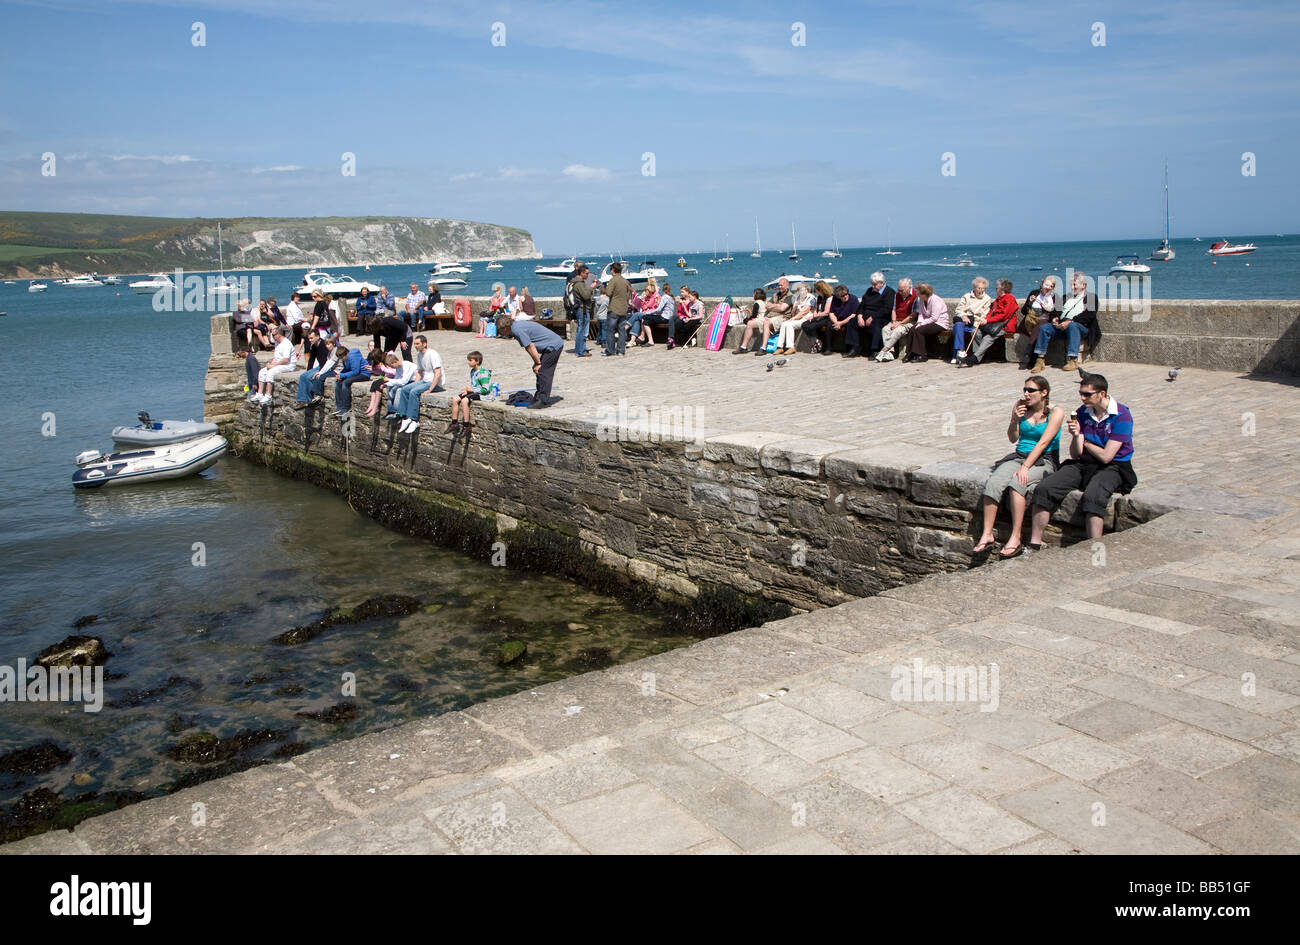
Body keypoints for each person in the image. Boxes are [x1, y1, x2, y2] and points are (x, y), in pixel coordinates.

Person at [1027, 373, 1136, 548]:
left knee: (1093, 497)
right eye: (1081, 393)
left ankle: (1095, 552)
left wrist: (1087, 442)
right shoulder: (1082, 413)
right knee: (1044, 488)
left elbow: (1107, 456)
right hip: (1084, 462)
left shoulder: (1122, 416)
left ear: (1102, 394)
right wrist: (1077, 436)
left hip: (1113, 466)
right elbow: (1076, 454)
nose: (1082, 398)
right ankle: (1034, 544)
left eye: (1087, 394)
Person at [972, 374, 1065, 558]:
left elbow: (1043, 443)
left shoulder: (1056, 412)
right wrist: (1014, 419)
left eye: (1031, 390)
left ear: (1044, 392)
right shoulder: (1021, 407)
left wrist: (1025, 468)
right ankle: (987, 533)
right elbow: (1012, 438)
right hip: (1019, 455)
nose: (1026, 393)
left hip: (1044, 459)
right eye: (1024, 389)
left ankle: (1016, 537)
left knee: (1017, 485)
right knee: (994, 484)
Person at [1031, 272, 1096, 374]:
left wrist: (1070, 321)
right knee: (1044, 328)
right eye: (1071, 284)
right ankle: (1040, 359)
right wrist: (1055, 318)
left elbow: (1089, 315)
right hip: (1062, 326)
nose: (1072, 287)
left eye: (1075, 284)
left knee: (1073, 326)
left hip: (1080, 326)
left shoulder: (1091, 297)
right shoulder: (1066, 297)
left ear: (1083, 286)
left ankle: (1072, 359)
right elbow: (1056, 311)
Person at [498, 313, 562, 407]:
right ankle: (539, 397)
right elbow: (530, 347)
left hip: (553, 345)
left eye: (500, 330)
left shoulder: (517, 330)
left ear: (505, 328)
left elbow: (530, 346)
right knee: (540, 371)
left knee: (544, 372)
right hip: (551, 345)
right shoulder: (516, 326)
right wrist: (536, 363)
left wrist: (538, 363)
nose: (500, 333)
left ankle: (543, 401)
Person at [959, 279, 1019, 367]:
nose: (995, 289)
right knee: (975, 332)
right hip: (993, 324)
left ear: (1002, 289)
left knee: (988, 337)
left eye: (997, 287)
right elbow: (990, 313)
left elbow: (1004, 315)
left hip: (1004, 326)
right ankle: (982, 355)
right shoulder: (998, 300)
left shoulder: (1010, 299)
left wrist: (988, 321)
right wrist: (984, 319)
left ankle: (975, 358)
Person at [394, 335, 445, 433]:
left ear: (424, 344)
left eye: (417, 344)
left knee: (414, 392)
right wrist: (415, 384)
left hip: (435, 383)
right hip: (425, 380)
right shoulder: (419, 355)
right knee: (405, 389)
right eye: (414, 344)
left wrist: (430, 389)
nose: (415, 346)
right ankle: (403, 417)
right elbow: (419, 372)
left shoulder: (432, 354)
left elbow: (438, 373)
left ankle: (413, 420)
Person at [1017, 276, 1058, 369]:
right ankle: (1034, 360)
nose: (1047, 287)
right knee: (1038, 328)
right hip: (1030, 321)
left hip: (1044, 321)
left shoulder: (1055, 297)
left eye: (1050, 286)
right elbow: (1024, 311)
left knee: (1041, 326)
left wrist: (1046, 308)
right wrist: (1029, 302)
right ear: (1042, 284)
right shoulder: (1034, 293)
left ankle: (1030, 349)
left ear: (1052, 288)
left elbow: (1055, 314)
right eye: (1046, 284)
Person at [853, 272, 896, 358]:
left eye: (875, 284)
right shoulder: (869, 291)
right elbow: (862, 305)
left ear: (882, 283)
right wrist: (859, 316)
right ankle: (854, 348)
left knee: (876, 324)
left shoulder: (889, 292)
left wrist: (873, 317)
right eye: (872, 284)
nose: (873, 286)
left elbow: (887, 309)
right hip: (866, 315)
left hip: (881, 317)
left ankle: (874, 349)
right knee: (852, 322)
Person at [448, 350, 492, 433]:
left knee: (464, 401)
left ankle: (467, 425)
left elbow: (485, 390)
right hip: (474, 392)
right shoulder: (472, 371)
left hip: (483, 395)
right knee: (455, 399)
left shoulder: (483, 373)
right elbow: (474, 385)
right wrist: (468, 392)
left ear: (477, 361)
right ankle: (454, 423)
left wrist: (472, 390)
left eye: (470, 360)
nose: (468, 362)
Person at [904, 283, 950, 362]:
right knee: (912, 329)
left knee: (919, 330)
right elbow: (921, 314)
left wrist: (922, 324)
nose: (917, 294)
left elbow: (934, 318)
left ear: (924, 293)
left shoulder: (935, 300)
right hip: (928, 322)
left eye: (918, 293)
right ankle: (910, 353)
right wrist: (919, 322)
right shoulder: (920, 300)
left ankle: (922, 354)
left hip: (940, 323)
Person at [951, 277, 992, 363]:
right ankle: (961, 351)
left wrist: (977, 319)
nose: (980, 290)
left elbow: (985, 314)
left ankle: (956, 355)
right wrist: (963, 316)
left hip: (976, 323)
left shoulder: (987, 299)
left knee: (959, 328)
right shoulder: (967, 296)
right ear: (974, 287)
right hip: (964, 320)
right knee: (958, 326)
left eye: (983, 288)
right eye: (978, 288)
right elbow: (959, 309)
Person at [876, 277, 917, 362]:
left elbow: (913, 315)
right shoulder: (897, 294)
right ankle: (890, 353)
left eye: (902, 290)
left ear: (909, 288)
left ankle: (884, 350)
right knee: (885, 329)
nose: (900, 292)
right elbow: (894, 309)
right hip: (897, 320)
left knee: (897, 331)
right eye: (899, 290)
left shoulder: (915, 296)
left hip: (909, 321)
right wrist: (894, 322)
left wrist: (900, 323)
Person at [252, 327, 295, 404]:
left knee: (271, 372)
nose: (272, 336)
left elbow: (285, 359)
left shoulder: (286, 344)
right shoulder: (277, 343)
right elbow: (276, 357)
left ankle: (268, 396)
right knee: (262, 372)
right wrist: (270, 364)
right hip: (279, 364)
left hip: (288, 365)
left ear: (279, 334)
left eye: (273, 334)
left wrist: (273, 366)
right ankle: (260, 394)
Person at [292, 329, 334, 408]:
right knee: (303, 376)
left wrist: (320, 372)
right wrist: (309, 370)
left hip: (325, 367)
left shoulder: (323, 345)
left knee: (310, 377)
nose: (310, 340)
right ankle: (302, 400)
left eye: (311, 338)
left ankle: (308, 399)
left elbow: (326, 362)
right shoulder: (314, 345)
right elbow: (311, 359)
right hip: (320, 366)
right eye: (309, 338)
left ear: (317, 337)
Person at [333, 343, 370, 418]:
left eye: (342, 358)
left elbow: (355, 371)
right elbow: (347, 368)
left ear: (346, 354)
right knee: (338, 383)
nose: (341, 360)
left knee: (346, 383)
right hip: (356, 373)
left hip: (364, 374)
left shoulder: (353, 357)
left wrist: (343, 375)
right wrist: (340, 374)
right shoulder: (345, 358)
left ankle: (346, 407)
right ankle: (340, 407)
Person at [602, 262, 632, 356]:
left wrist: (606, 287)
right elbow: (628, 294)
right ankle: (621, 350)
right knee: (621, 330)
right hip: (623, 308)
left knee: (610, 330)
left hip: (614, 308)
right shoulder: (625, 281)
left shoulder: (613, 280)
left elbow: (608, 293)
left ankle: (610, 350)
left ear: (612, 270)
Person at [568, 264, 595, 357]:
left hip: (579, 309)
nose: (588, 275)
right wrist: (591, 287)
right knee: (582, 330)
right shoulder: (579, 283)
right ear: (581, 273)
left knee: (580, 329)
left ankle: (579, 349)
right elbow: (586, 295)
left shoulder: (575, 282)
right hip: (582, 309)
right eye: (586, 273)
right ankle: (581, 351)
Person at [364, 353, 402, 418]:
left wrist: (383, 368)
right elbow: (381, 373)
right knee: (374, 384)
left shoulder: (390, 359)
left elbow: (394, 372)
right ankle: (372, 405)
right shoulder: (382, 363)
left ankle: (375, 407)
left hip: (392, 378)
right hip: (386, 377)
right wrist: (373, 369)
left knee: (379, 385)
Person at [636, 282, 674, 346]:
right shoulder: (671, 298)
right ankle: (650, 341)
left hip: (664, 318)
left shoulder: (664, 297)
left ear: (663, 290)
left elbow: (659, 309)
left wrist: (649, 313)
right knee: (646, 321)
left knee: (645, 317)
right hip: (668, 317)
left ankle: (645, 338)